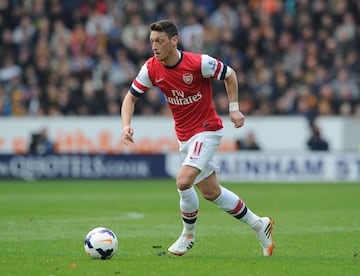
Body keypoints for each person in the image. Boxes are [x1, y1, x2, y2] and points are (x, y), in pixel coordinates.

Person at [121, 19, 274, 256]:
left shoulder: (198, 63)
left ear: (174, 41)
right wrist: (126, 125)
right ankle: (259, 224)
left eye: (159, 41)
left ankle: (188, 236)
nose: (154, 46)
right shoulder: (151, 68)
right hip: (185, 136)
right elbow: (130, 97)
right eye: (152, 42)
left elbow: (230, 74)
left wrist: (234, 107)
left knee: (183, 181)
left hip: (207, 130)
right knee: (211, 192)